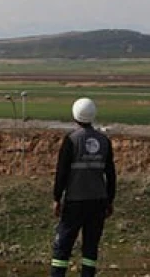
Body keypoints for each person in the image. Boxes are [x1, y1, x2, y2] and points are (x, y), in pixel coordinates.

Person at [50, 97, 116, 277]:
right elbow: (110, 173)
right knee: (90, 249)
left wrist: (57, 198)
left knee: (63, 246)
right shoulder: (104, 141)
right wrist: (110, 200)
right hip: (98, 201)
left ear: (74, 115)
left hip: (75, 201)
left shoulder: (71, 140)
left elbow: (61, 172)